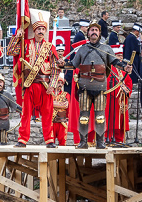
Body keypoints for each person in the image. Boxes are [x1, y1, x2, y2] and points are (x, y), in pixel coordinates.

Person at [63, 21, 131, 149]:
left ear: (99, 33)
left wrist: (125, 67)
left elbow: (115, 61)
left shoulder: (106, 49)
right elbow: (73, 65)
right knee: (84, 116)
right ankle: (83, 142)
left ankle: (100, 142)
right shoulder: (82, 49)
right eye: (91, 30)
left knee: (100, 116)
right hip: (84, 87)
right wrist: (62, 64)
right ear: (88, 33)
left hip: (100, 87)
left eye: (96, 30)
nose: (94, 32)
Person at [7, 17, 60, 148]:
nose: (41, 31)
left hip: (45, 85)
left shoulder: (50, 47)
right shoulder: (25, 43)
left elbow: (55, 67)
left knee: (48, 114)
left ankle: (50, 140)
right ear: (34, 31)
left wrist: (52, 85)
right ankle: (22, 139)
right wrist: (17, 37)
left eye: (43, 29)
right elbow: (10, 51)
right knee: (25, 113)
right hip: (30, 84)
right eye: (38, 29)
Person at [105, 45, 133, 144]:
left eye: (121, 55)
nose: (120, 58)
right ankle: (108, 138)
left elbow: (129, 81)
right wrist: (119, 89)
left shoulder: (123, 68)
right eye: (118, 55)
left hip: (122, 99)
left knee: (121, 120)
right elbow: (107, 82)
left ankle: (119, 139)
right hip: (112, 98)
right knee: (111, 119)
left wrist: (127, 89)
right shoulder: (109, 68)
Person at [52, 74, 69, 146]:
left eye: (61, 83)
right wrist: (60, 105)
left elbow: (66, 105)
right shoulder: (50, 94)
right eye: (58, 82)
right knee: (50, 143)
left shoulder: (66, 94)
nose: (60, 84)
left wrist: (53, 104)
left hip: (62, 122)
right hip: (51, 122)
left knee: (62, 144)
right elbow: (47, 105)